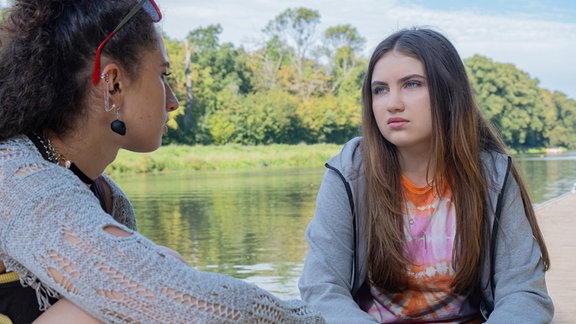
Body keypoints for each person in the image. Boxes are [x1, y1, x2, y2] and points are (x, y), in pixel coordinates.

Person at [0, 0, 324, 323]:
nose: (173, 102)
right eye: (163, 75)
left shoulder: (108, 199)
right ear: (113, 84)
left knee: (160, 265)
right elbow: (181, 301)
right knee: (132, 293)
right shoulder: (14, 177)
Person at [299, 27, 553, 323]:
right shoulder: (349, 173)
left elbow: (524, 293)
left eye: (412, 84)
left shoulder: (492, 176)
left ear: (449, 92)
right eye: (379, 89)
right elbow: (322, 289)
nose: (392, 102)